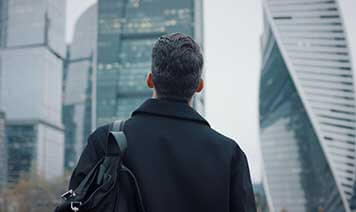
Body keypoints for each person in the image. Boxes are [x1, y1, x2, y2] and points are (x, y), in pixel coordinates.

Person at [69, 32, 257, 212]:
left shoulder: (106, 141)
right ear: (199, 86)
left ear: (150, 80)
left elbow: (76, 204)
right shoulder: (230, 154)